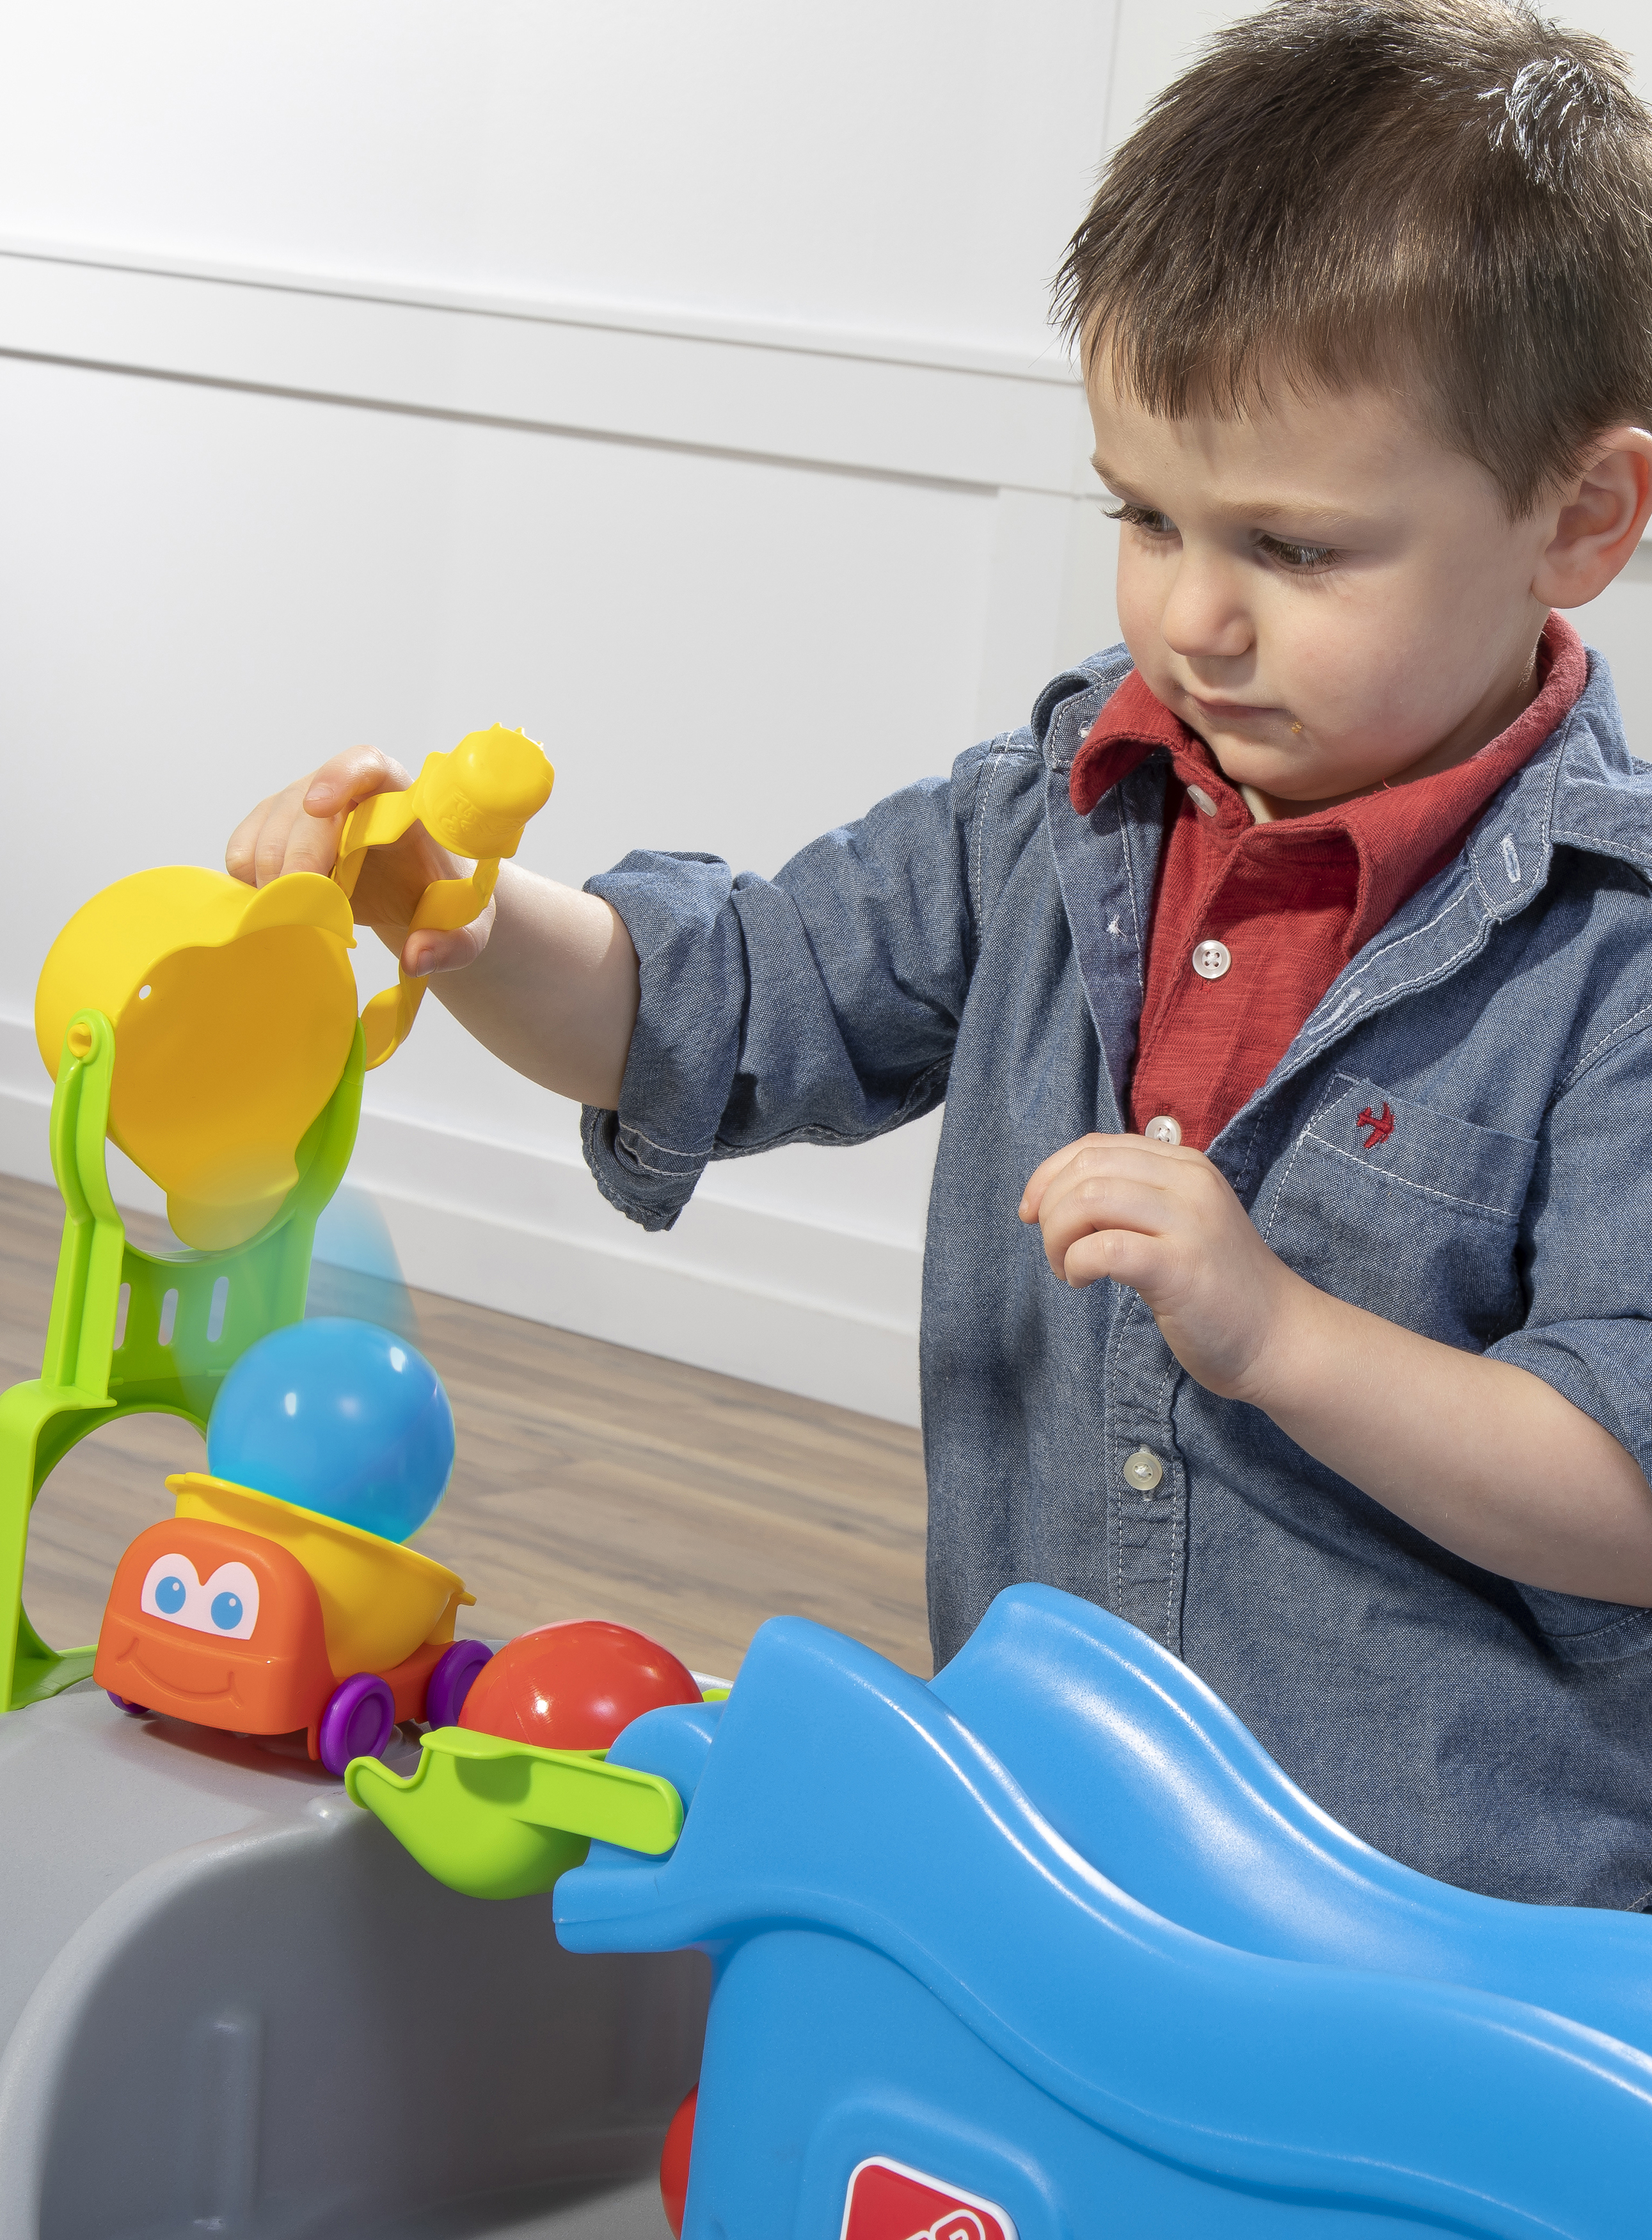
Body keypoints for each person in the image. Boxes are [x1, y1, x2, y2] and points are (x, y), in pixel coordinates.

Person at [226, 0, 1652, 1910]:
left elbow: (1624, 1493)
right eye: (1144, 516)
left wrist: (1277, 1336)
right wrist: (466, 923)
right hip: (1047, 1846)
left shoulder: (1617, 958)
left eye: (1298, 550)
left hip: (1435, 1926)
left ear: (1579, 520)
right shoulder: (1047, 817)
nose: (1194, 617)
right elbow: (711, 1008)